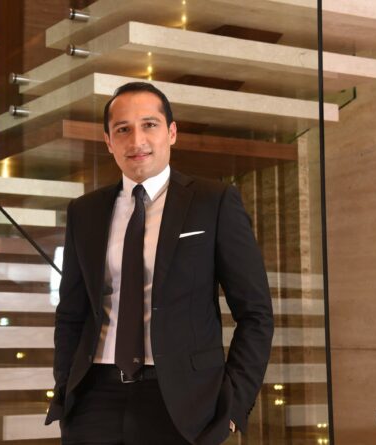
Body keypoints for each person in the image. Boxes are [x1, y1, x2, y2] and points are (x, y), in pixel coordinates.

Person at [45, 82, 274, 445]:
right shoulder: (84, 211)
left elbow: (256, 313)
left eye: (149, 125)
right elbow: (72, 312)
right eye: (123, 129)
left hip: (184, 405)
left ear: (172, 132)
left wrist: (233, 407)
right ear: (108, 141)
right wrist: (65, 389)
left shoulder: (213, 201)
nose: (137, 140)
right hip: (93, 399)